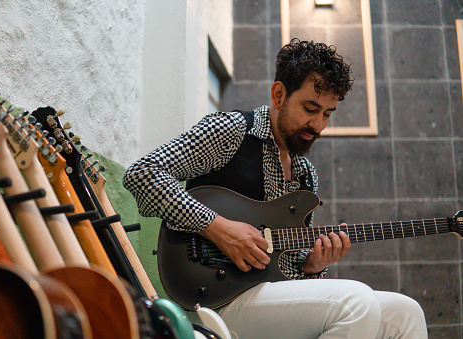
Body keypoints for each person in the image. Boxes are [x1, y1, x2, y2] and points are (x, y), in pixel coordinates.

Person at [123, 38, 427, 338]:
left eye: (327, 114)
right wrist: (219, 228)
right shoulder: (231, 131)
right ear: (279, 94)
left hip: (270, 297)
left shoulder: (305, 175)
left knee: (406, 311)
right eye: (310, 108)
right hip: (214, 297)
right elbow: (143, 173)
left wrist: (311, 266)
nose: (318, 125)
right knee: (356, 301)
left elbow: (288, 271)